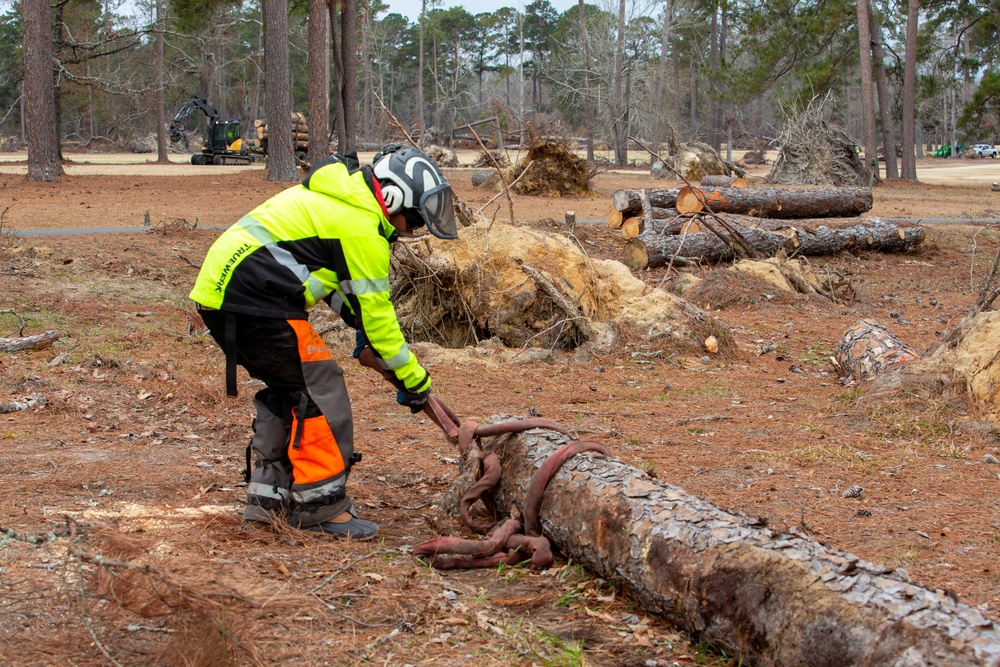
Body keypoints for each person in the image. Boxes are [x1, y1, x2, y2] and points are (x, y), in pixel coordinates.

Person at [189, 144, 458, 538]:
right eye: (414, 216)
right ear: (394, 196)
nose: (413, 227)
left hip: (228, 299)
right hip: (254, 300)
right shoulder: (360, 223)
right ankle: (320, 506)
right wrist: (415, 381)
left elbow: (324, 277)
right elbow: (380, 318)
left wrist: (356, 320)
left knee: (293, 388)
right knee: (321, 387)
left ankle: (268, 500)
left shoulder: (343, 200)